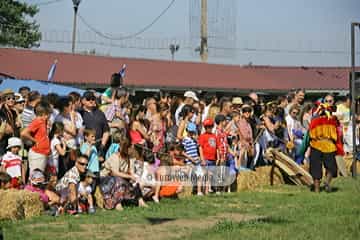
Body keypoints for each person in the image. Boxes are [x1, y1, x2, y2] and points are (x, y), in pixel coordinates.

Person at [308, 103, 341, 193]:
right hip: (327, 145)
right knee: (331, 167)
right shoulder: (332, 121)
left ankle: (317, 189)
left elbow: (309, 133)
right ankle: (326, 182)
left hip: (317, 145)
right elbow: (338, 134)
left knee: (316, 167)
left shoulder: (314, 120)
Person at [21, 101, 51, 174]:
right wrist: (35, 141)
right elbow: (24, 133)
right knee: (35, 178)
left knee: (39, 177)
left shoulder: (43, 121)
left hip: (42, 153)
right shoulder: (37, 121)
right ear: (44, 113)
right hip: (37, 154)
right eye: (49, 113)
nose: (50, 115)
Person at [80, 91, 110, 157]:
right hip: (84, 148)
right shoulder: (80, 113)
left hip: (99, 147)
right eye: (88, 99)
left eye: (93, 99)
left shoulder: (100, 113)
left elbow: (106, 131)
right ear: (83, 101)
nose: (91, 101)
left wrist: (102, 146)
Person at [182, 122, 203, 195]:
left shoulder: (194, 140)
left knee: (200, 174)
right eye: (190, 132)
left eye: (192, 132)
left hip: (196, 161)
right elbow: (183, 152)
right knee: (187, 175)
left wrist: (199, 157)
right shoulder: (185, 140)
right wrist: (190, 158)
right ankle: (182, 189)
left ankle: (199, 191)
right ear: (187, 131)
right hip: (190, 161)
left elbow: (198, 147)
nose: (191, 133)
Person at [198, 119, 217, 194]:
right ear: (205, 127)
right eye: (207, 127)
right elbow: (200, 147)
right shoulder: (203, 136)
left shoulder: (214, 136)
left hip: (212, 159)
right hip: (205, 159)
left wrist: (217, 157)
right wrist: (202, 159)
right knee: (202, 175)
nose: (209, 128)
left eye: (210, 126)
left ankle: (206, 191)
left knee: (209, 176)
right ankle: (199, 191)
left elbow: (216, 147)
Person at [0, 89, 20, 156]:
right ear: (4, 100)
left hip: (11, 142)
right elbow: (6, 128)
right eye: (8, 98)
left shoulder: (14, 112)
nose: (11, 100)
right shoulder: (1, 111)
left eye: (13, 98)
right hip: (2, 142)